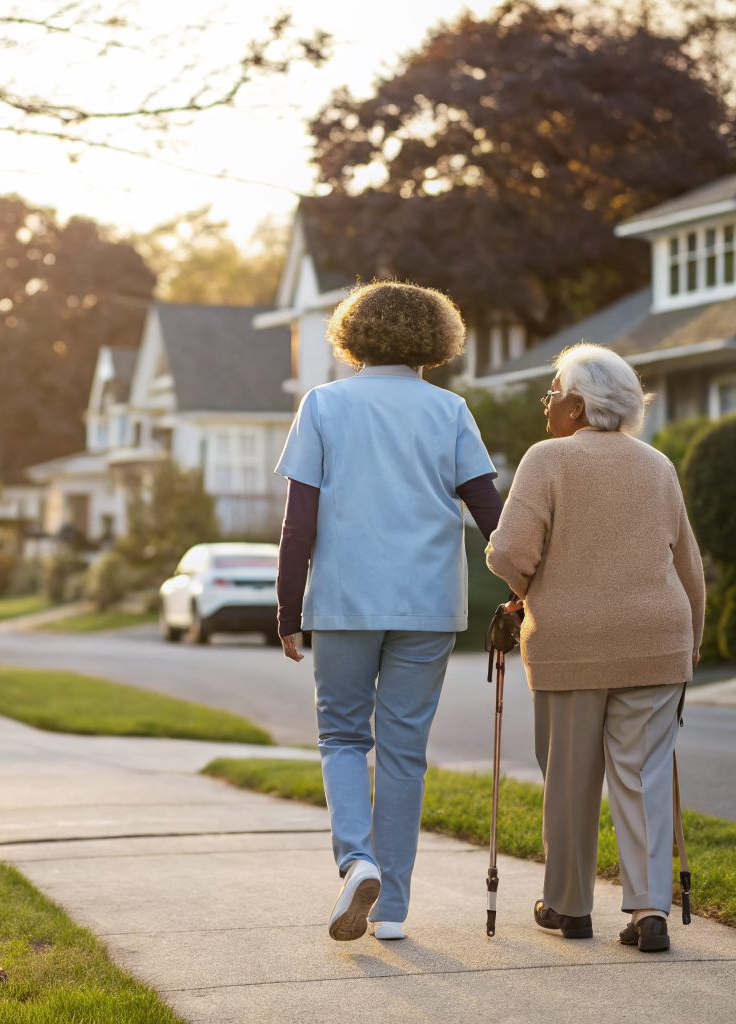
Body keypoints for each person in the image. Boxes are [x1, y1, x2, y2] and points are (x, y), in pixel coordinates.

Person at [275, 281, 503, 942]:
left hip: (345, 602)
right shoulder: (449, 409)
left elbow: (298, 525)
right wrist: (528, 582)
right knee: (403, 752)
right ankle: (393, 910)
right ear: (435, 340)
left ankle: (356, 861)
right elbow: (491, 515)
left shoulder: (322, 405)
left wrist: (289, 610)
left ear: (353, 337)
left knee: (343, 736)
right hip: (428, 604)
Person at [485, 343, 705, 953]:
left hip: (569, 646)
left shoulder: (547, 459)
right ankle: (648, 911)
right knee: (642, 779)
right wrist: (691, 644)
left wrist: (529, 586)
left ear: (579, 406)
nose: (547, 404)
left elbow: (509, 554)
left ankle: (569, 907)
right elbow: (688, 566)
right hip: (657, 643)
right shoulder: (658, 465)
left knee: (570, 777)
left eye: (553, 393)